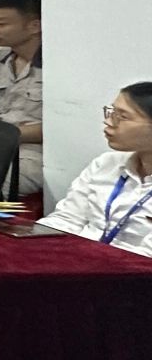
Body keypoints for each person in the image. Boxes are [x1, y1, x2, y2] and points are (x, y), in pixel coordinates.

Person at [37, 83, 152, 255]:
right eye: (111, 112)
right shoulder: (106, 164)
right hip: (77, 258)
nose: (108, 121)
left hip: (127, 268)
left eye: (122, 117)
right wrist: (33, 242)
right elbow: (67, 219)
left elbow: (145, 257)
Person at [0, 0, 43, 195]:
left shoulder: (57, 67)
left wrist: (7, 135)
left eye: (1, 24)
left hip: (34, 151)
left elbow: (61, 127)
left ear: (35, 26)